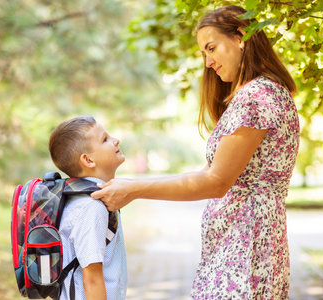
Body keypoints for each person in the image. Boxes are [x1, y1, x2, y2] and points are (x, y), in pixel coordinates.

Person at [92, 5, 299, 299]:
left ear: (241, 35)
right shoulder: (260, 93)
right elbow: (207, 174)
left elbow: (216, 182)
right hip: (242, 244)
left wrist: (135, 189)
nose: (208, 62)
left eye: (211, 48)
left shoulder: (257, 96)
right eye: (204, 52)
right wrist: (132, 186)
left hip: (247, 246)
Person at [49, 116, 127, 300]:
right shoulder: (91, 207)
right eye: (105, 139)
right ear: (88, 160)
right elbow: (91, 278)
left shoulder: (88, 200)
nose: (116, 140)